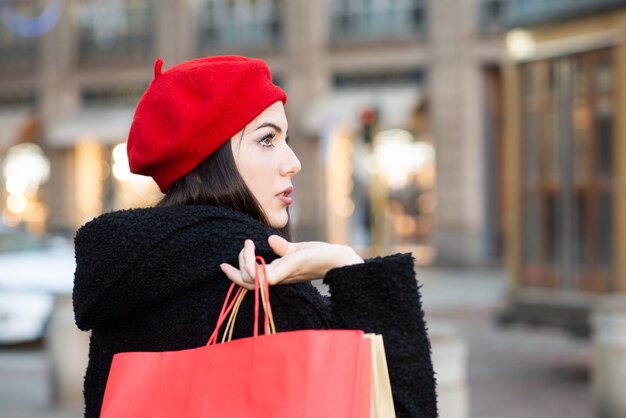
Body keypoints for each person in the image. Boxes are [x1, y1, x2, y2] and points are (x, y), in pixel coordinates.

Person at [72, 56, 438, 418]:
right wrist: (346, 265)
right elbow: (405, 408)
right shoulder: (264, 287)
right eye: (267, 140)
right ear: (206, 163)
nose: (292, 161)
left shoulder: (126, 281)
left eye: (285, 139)